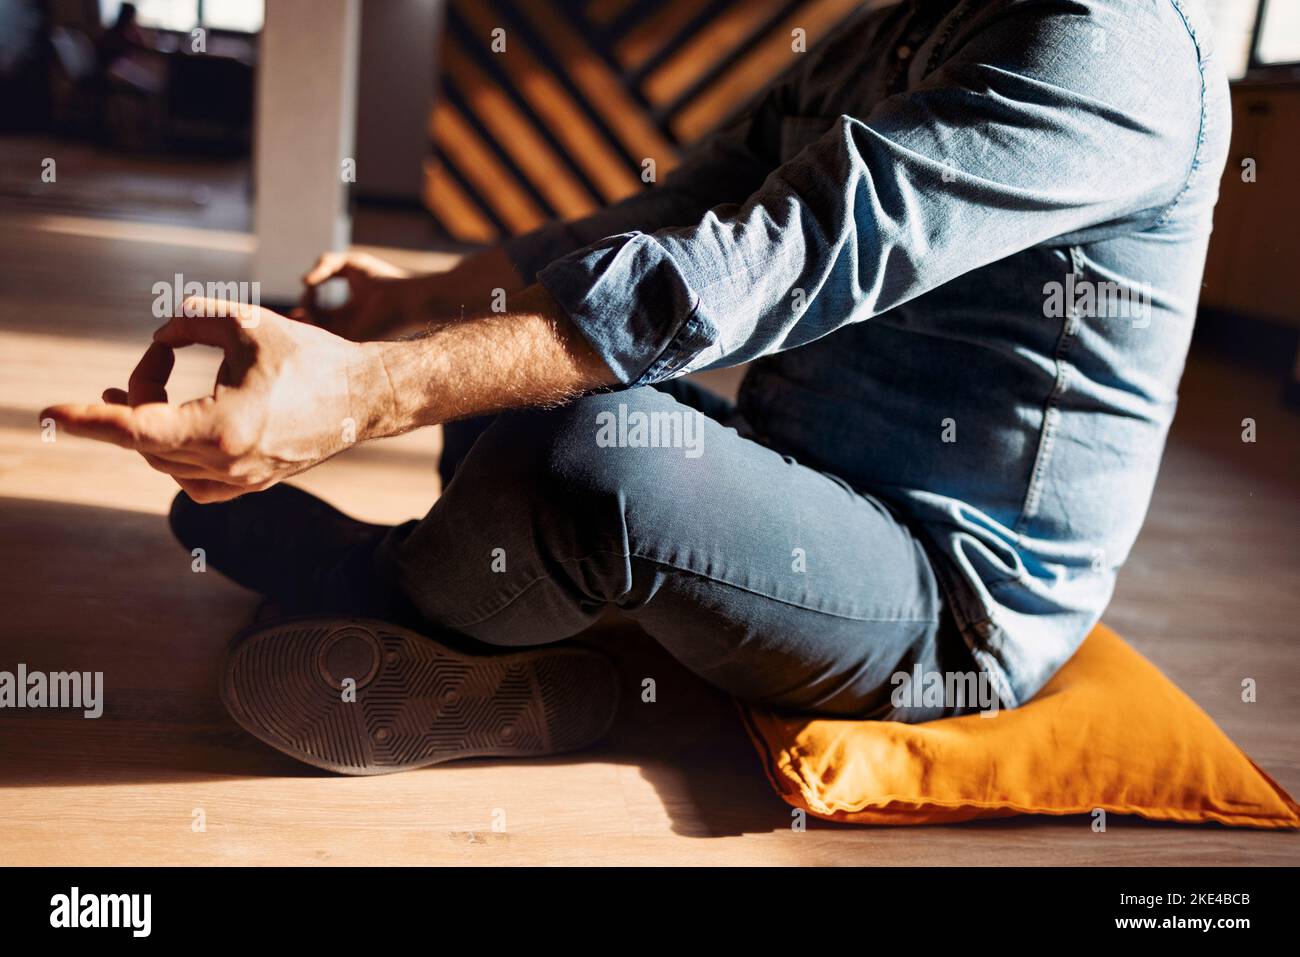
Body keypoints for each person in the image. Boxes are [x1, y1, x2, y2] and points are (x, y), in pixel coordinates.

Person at [43, 0, 1229, 774]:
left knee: (588, 459)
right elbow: (672, 213)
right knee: (514, 373)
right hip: (806, 479)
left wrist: (367, 391)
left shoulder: (1108, 43)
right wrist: (423, 294)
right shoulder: (889, 29)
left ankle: (391, 592)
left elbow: (791, 251)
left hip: (946, 605)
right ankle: (487, 629)